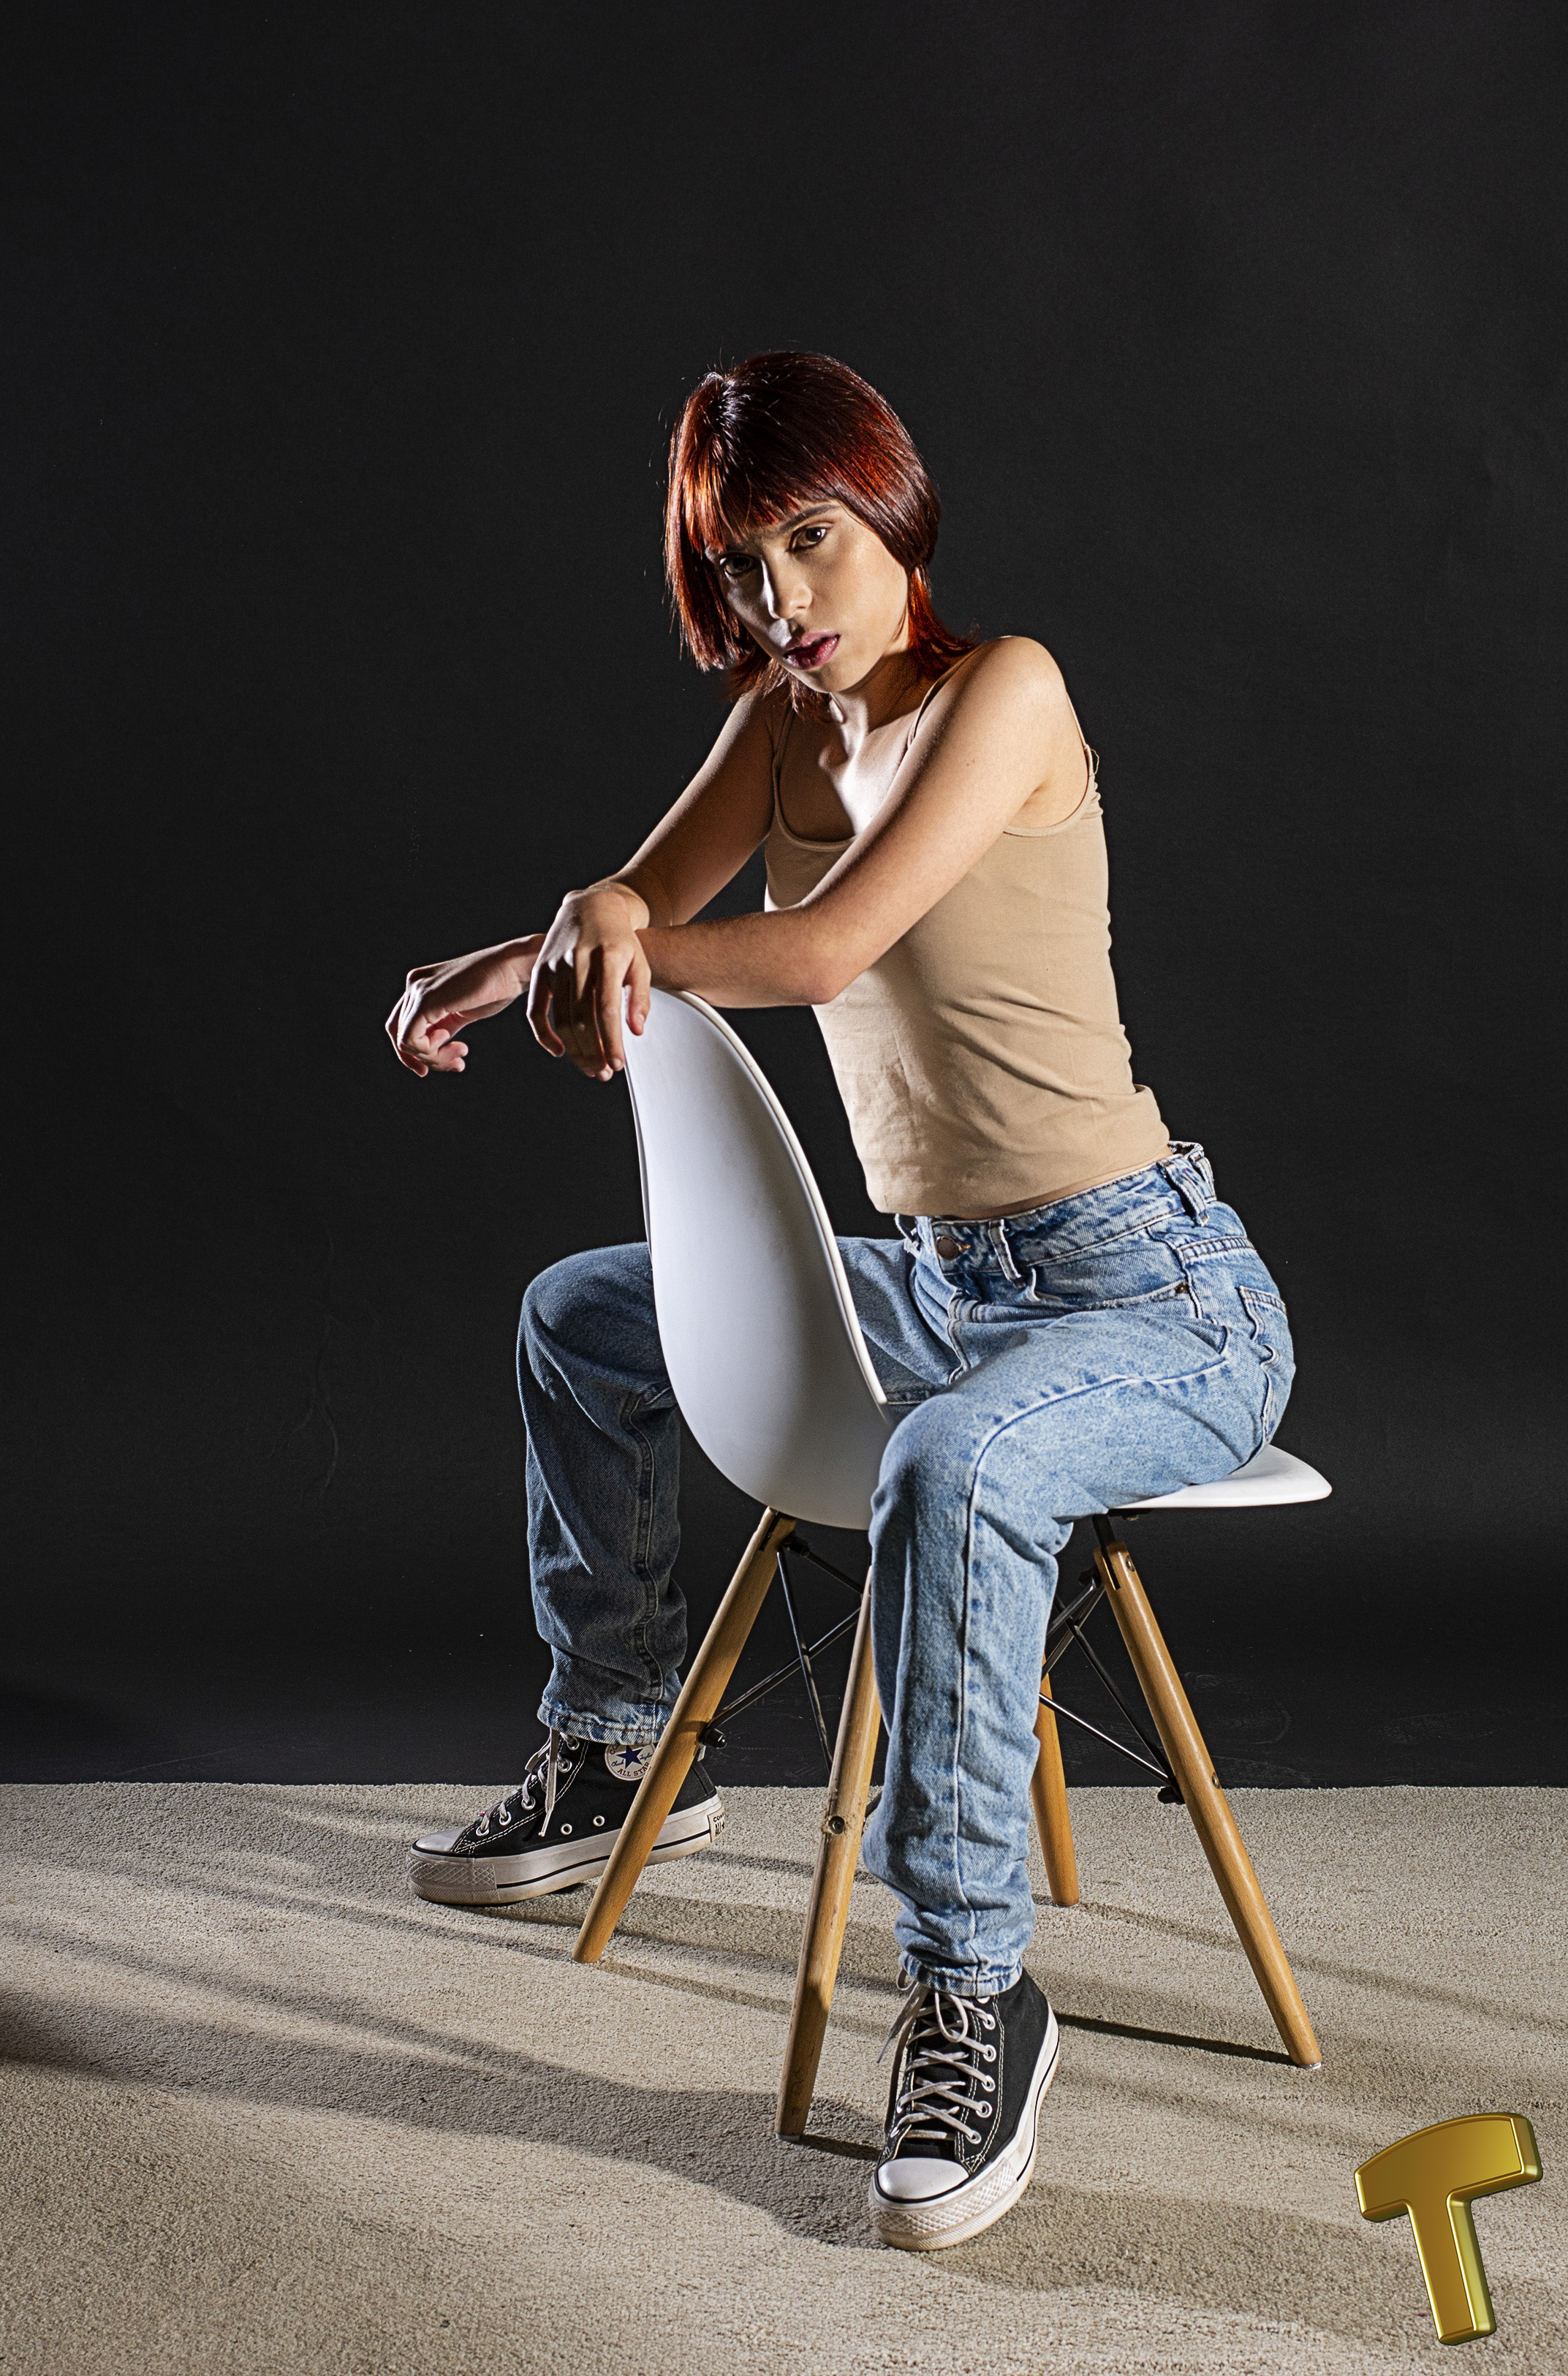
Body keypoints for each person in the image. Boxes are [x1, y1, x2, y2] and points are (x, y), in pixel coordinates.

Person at [384, 351, 1294, 2251]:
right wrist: (518, 956)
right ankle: (621, 1737)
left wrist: (607, 940)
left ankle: (971, 1991)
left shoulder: (1004, 689)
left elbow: (821, 948)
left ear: (889, 511)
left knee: (951, 1467)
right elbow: (639, 900)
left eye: (809, 538)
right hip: (946, 1284)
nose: (781, 597)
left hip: (1150, 1292)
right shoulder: (778, 726)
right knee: (583, 1318)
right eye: (739, 565)